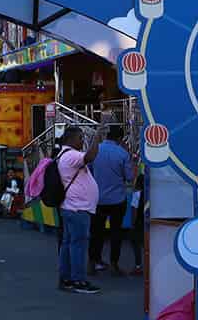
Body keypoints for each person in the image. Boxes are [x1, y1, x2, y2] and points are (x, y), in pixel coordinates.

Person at [48, 125, 101, 294]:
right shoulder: (71, 155)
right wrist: (97, 138)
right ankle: (78, 280)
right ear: (71, 139)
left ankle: (66, 278)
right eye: (80, 138)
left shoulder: (63, 155)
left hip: (71, 207)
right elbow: (90, 156)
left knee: (68, 243)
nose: (82, 141)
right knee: (78, 245)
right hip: (78, 208)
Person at [88, 125, 136, 276]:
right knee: (116, 233)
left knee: (96, 232)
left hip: (97, 199)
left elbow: (88, 171)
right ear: (120, 138)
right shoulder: (122, 154)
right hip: (117, 199)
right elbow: (130, 177)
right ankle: (114, 263)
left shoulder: (96, 150)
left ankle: (92, 262)